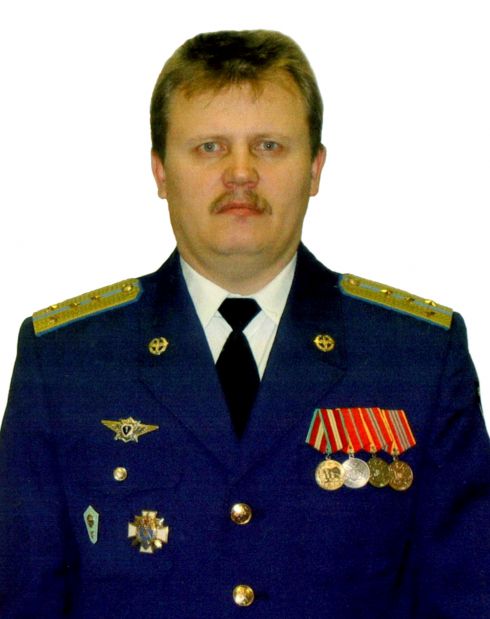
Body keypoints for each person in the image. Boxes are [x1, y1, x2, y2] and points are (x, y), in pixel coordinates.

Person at [0, 29, 489, 618]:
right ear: (160, 171)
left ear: (314, 168)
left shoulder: (417, 359)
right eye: (209, 147)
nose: (240, 173)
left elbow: (466, 597)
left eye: (269, 146)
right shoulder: (67, 364)